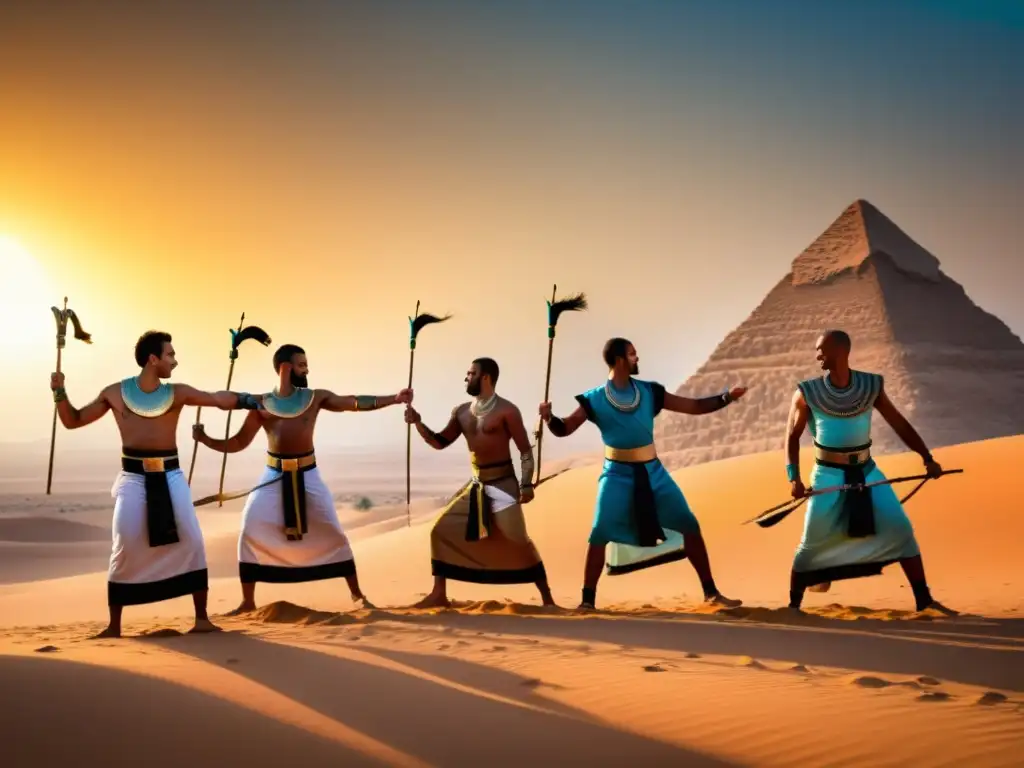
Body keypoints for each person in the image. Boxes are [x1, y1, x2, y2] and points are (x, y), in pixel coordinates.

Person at [50, 330, 261, 638]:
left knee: (191, 538)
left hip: (171, 476)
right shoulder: (114, 392)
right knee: (125, 541)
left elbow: (217, 398)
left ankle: (201, 619)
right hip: (133, 479)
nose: (175, 360)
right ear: (153, 359)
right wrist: (59, 392)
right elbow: (73, 420)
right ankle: (114, 626)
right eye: (170, 354)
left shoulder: (177, 392)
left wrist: (246, 400)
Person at [193, 343, 412, 614]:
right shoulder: (261, 403)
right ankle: (248, 601)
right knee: (250, 526)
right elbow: (238, 442)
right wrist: (205, 440)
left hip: (309, 475)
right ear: (285, 368)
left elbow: (352, 402)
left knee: (332, 530)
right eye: (301, 364)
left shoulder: (315, 397)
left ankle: (357, 595)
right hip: (273, 476)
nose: (307, 369)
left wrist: (395, 398)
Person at [539, 337, 745, 611]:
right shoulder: (593, 399)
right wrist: (549, 418)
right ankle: (587, 601)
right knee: (600, 531)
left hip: (653, 472)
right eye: (633, 354)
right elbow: (565, 429)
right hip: (615, 474)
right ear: (620, 360)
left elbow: (693, 407)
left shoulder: (650, 392)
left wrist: (726, 397)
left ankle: (711, 593)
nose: (638, 358)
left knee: (688, 523)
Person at [783, 330, 957, 614]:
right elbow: (792, 437)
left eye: (821, 350)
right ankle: (793, 607)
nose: (817, 356)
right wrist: (794, 478)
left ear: (840, 351)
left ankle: (924, 601)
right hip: (827, 475)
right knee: (811, 542)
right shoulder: (807, 392)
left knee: (901, 530)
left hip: (868, 471)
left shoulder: (870, 386)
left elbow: (899, 424)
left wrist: (927, 457)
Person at [404, 357, 554, 608]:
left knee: (519, 541)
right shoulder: (461, 411)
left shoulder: (507, 411)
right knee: (439, 531)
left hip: (503, 486)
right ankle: (439, 594)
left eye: (471, 373)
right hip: (476, 486)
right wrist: (418, 422)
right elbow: (439, 442)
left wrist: (526, 484)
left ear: (486, 378)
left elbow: (525, 452)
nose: (466, 377)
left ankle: (547, 599)